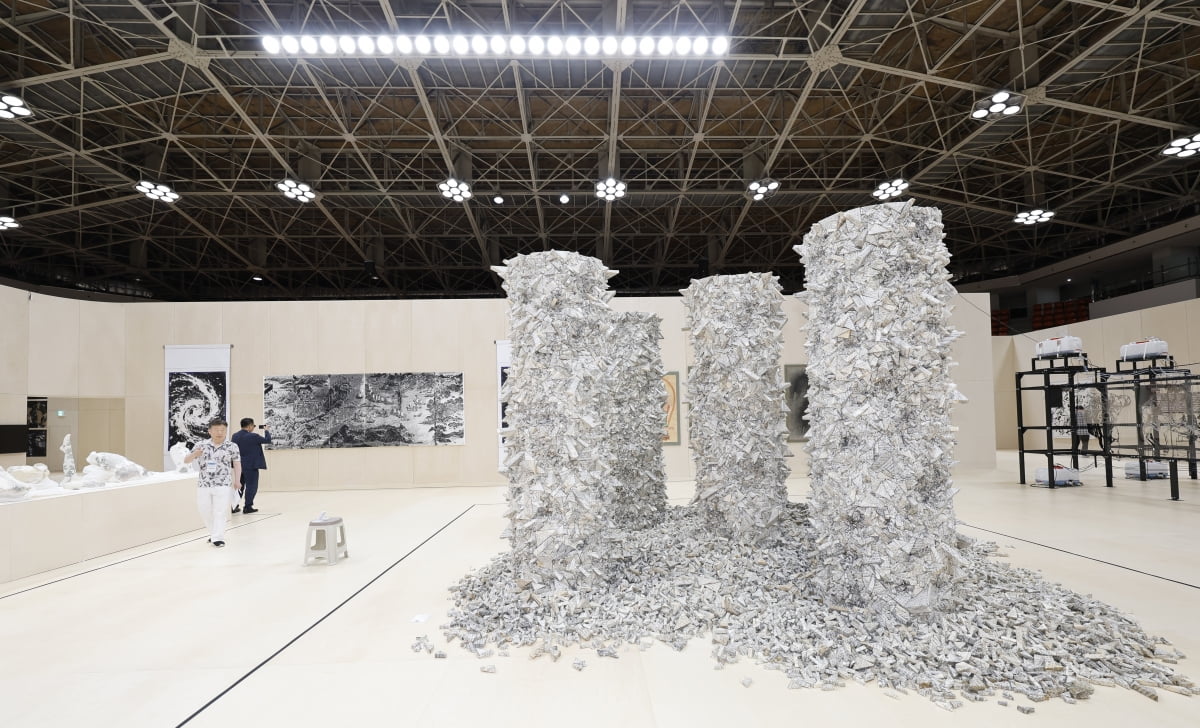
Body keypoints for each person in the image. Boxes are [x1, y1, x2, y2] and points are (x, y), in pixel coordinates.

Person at [185, 417, 241, 547]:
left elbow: (237, 464)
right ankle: (214, 533)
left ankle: (218, 538)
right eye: (216, 430)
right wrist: (195, 454)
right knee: (204, 510)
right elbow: (186, 460)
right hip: (204, 484)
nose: (220, 432)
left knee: (220, 511)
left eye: (223, 430)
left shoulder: (232, 446)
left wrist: (237, 480)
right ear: (209, 431)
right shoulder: (201, 445)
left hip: (223, 483)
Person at [231, 417, 271, 514]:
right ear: (249, 426)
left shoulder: (235, 436)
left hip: (238, 466)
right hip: (251, 466)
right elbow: (267, 440)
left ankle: (233, 506)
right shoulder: (253, 436)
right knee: (251, 486)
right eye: (253, 426)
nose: (253, 427)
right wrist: (266, 430)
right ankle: (248, 507)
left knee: (239, 486)